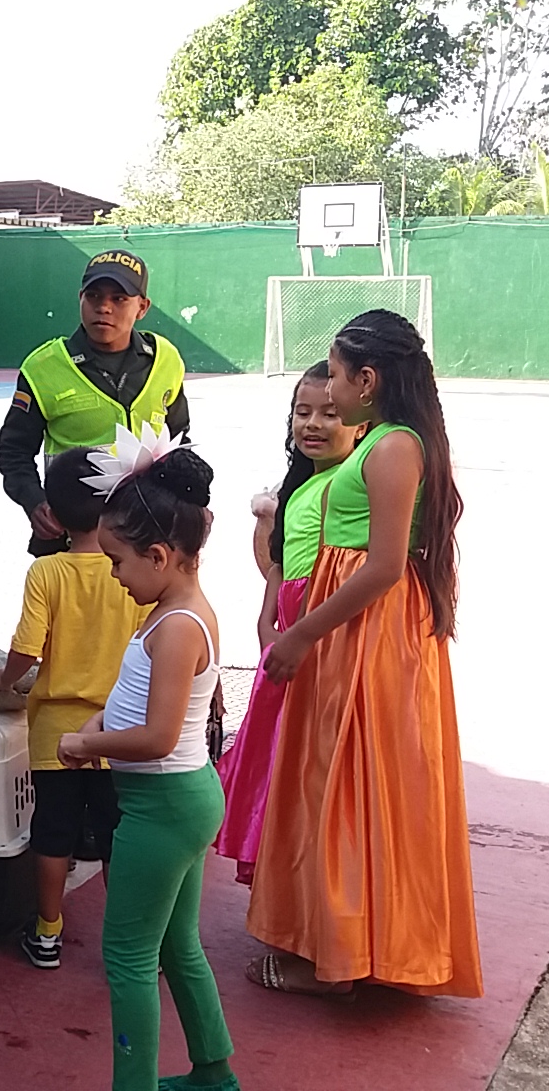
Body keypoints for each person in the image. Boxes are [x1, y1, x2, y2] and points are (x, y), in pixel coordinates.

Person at [249, 310, 480, 999]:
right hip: (352, 626)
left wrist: (299, 634)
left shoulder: (392, 448)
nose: (331, 390)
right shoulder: (386, 440)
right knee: (343, 786)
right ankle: (348, 944)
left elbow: (381, 566)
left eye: (339, 376)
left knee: (348, 788)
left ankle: (342, 960)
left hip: (365, 634)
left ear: (368, 381)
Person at [59, 438, 238, 1091]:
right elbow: (141, 705)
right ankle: (213, 1071)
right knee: (176, 944)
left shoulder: (178, 626)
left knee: (128, 956)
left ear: (160, 556)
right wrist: (100, 723)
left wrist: (87, 744)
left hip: (161, 806)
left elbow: (159, 735)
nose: (114, 575)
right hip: (181, 801)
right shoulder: (176, 610)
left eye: (119, 562)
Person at [0, 448, 144, 970]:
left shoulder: (47, 573)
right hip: (119, 732)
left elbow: (27, 649)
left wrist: (1, 680)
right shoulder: (134, 571)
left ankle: (48, 933)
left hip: (55, 735)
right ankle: (126, 939)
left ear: (50, 509)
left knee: (53, 832)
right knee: (119, 835)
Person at [214, 362, 361, 885]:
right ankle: (277, 879)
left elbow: (342, 576)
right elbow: (280, 564)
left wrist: (297, 630)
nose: (313, 424)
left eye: (330, 413)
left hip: (316, 642)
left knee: (302, 767)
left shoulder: (349, 486)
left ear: (361, 422)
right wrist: (266, 618)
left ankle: (298, 888)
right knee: (272, 762)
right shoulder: (303, 487)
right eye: (302, 412)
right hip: (284, 641)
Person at [0, 250, 190, 556]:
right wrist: (35, 503)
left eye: (119, 299)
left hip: (144, 537)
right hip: (70, 541)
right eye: (94, 296)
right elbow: (13, 452)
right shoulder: (44, 367)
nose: (103, 307)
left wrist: (187, 507)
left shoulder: (165, 359)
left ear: (142, 307)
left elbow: (180, 440)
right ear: (80, 299)